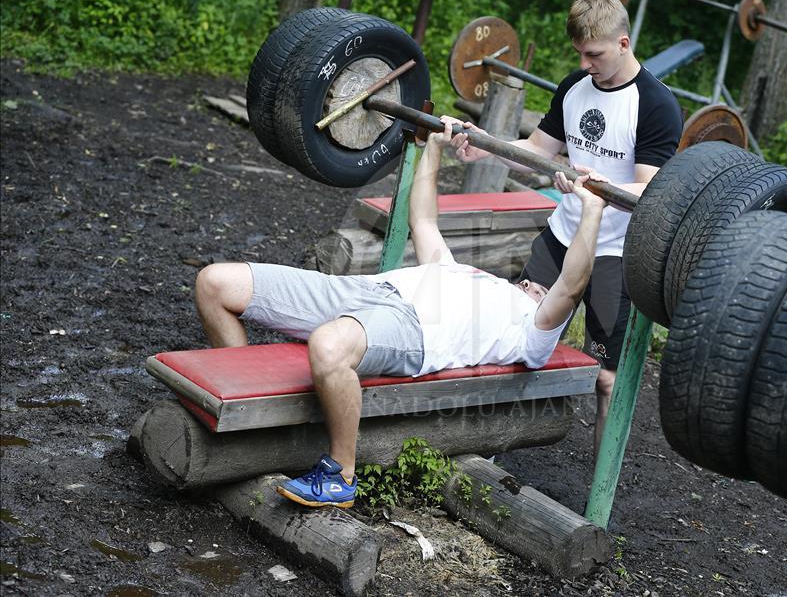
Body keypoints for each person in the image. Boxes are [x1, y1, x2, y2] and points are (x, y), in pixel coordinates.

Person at [192, 119, 609, 509]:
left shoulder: (531, 330)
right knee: (215, 283)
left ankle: (341, 475)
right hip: (367, 290)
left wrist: (591, 211)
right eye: (528, 282)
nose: (530, 284)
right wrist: (434, 146)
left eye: (539, 289)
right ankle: (246, 421)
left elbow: (571, 284)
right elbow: (423, 219)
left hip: (414, 330)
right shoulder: (467, 274)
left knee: (329, 346)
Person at [448, 0, 683, 456]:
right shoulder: (575, 86)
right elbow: (538, 151)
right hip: (561, 238)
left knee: (607, 379)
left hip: (615, 254)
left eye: (594, 53)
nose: (586, 62)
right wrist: (488, 146)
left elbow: (649, 191)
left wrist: (595, 185)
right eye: (579, 53)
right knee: (514, 339)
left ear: (623, 41)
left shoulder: (656, 105)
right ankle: (481, 457)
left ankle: (599, 494)